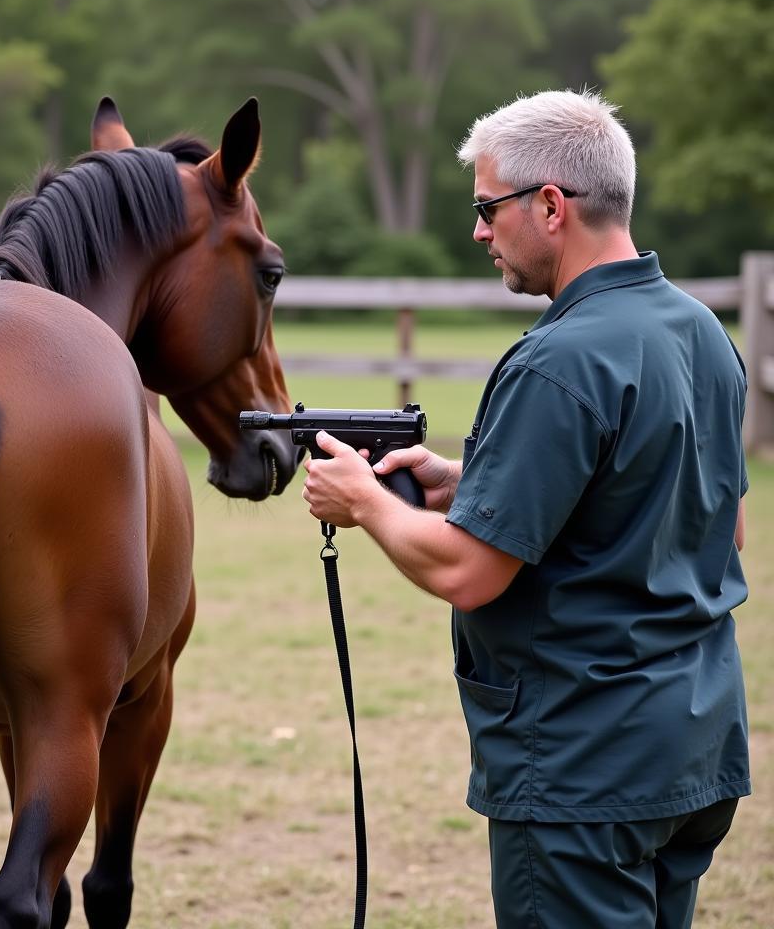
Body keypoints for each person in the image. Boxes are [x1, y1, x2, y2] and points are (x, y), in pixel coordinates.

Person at [302, 89, 750, 929]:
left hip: (584, 768)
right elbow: (712, 519)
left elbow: (470, 572)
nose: (478, 231)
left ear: (550, 205)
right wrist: (470, 479)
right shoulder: (699, 332)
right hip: (690, 747)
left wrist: (364, 502)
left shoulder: (558, 359)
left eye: (486, 206)